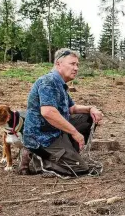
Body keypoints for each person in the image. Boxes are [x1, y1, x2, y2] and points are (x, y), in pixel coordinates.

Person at [21, 48, 104, 177]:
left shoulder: (60, 84)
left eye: (77, 65)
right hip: (43, 137)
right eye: (72, 64)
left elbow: (72, 109)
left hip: (55, 131)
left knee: (87, 117)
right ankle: (38, 160)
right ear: (58, 64)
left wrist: (90, 108)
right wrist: (75, 132)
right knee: (80, 169)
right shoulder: (49, 81)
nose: (76, 68)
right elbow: (48, 112)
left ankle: (69, 153)